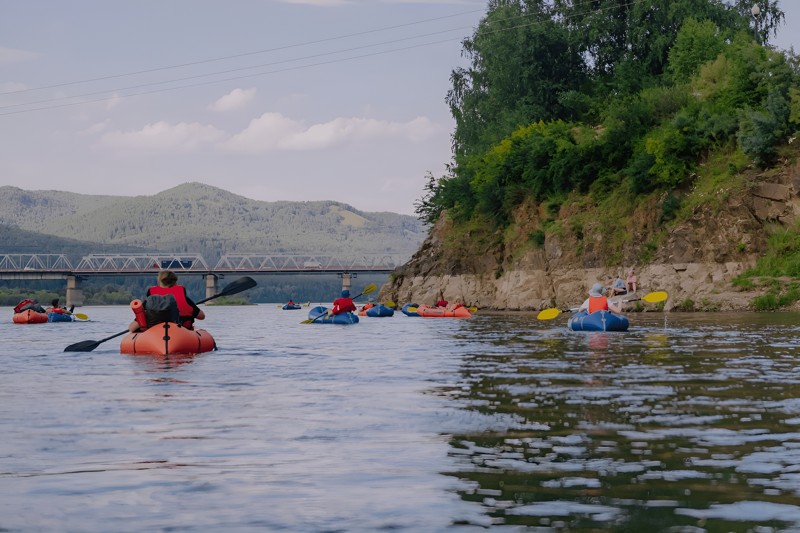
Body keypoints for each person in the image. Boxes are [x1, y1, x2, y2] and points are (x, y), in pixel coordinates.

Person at [129, 270, 205, 332]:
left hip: (154, 333)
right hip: (181, 331)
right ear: (175, 282)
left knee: (132, 327)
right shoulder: (185, 298)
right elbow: (201, 316)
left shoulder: (150, 300)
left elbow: (132, 328)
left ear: (159, 282)